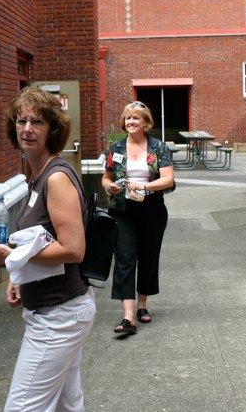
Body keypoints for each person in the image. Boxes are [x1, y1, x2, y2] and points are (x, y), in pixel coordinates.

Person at [0, 86, 96, 412]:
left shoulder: (56, 178)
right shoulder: (35, 176)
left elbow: (73, 249)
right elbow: (38, 238)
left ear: (53, 129)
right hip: (55, 309)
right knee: (66, 404)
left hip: (59, 314)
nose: (27, 129)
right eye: (21, 121)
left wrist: (15, 258)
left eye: (37, 122)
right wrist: (17, 276)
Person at [101, 101, 175, 335]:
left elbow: (168, 179)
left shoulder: (158, 147)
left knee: (148, 258)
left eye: (135, 118)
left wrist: (144, 187)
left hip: (152, 211)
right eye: (127, 118)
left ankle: (143, 305)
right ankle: (128, 316)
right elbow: (106, 177)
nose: (131, 122)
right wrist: (109, 187)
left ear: (145, 122)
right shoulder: (116, 148)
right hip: (122, 211)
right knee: (124, 259)